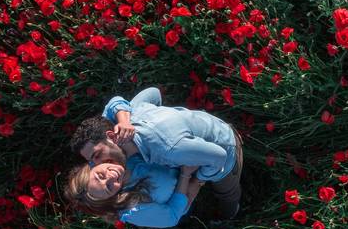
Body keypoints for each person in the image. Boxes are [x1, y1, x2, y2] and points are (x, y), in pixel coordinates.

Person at [69, 87, 243, 220]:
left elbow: (220, 157)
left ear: (112, 136)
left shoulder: (169, 149)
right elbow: (153, 93)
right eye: (94, 162)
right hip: (203, 125)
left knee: (227, 191)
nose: (102, 166)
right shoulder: (132, 112)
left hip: (227, 146)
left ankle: (231, 214)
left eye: (97, 155)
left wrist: (199, 179)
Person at [63, 143, 203, 228]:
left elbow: (151, 94)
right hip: (192, 184)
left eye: (100, 175)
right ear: (112, 197)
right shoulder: (133, 210)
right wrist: (188, 176)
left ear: (92, 166)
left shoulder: (104, 153)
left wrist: (124, 121)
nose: (111, 177)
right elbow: (172, 216)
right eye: (109, 188)